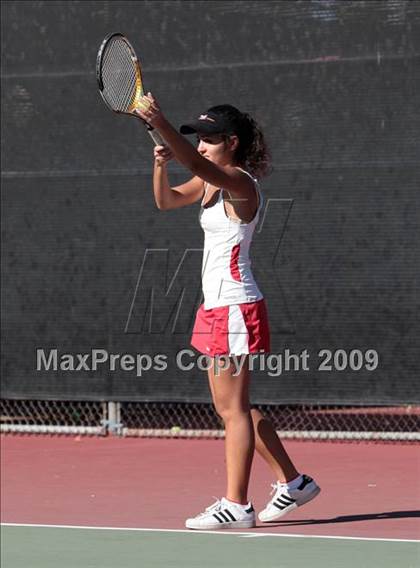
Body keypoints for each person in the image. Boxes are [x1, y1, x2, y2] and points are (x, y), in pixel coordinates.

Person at [135, 94, 320, 530]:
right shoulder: (210, 182)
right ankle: (294, 484)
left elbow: (198, 169)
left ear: (232, 143)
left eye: (210, 139)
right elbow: (166, 201)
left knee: (232, 410)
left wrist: (160, 122)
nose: (200, 146)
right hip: (216, 306)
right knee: (234, 405)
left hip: (236, 304)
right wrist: (160, 163)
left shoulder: (240, 183)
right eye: (197, 138)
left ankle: (237, 505)